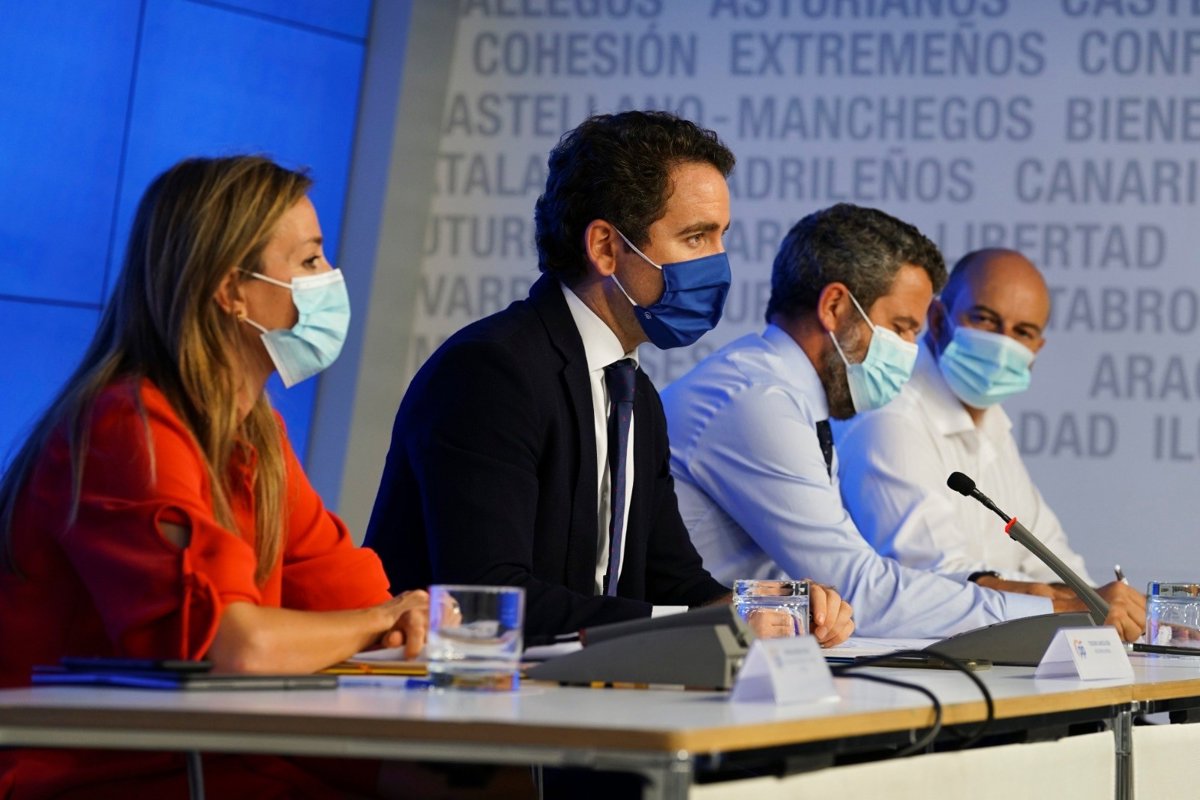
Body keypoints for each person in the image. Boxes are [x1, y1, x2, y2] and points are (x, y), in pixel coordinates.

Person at [0, 156, 429, 797]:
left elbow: (352, 598)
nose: (329, 279)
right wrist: (379, 619)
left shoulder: (255, 432)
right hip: (101, 773)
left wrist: (403, 620)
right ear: (232, 291)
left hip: (217, 753)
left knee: (480, 782)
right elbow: (236, 647)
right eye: (310, 260)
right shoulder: (125, 427)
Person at [366, 111, 853, 646]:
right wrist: (706, 625)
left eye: (721, 238)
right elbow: (489, 597)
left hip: (568, 684)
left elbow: (675, 582)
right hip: (449, 686)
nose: (719, 263)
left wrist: (781, 606)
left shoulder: (634, 393)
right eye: (695, 238)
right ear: (604, 247)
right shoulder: (491, 371)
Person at [662, 204, 1144, 641]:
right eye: (901, 328)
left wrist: (1058, 603)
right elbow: (861, 589)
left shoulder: (790, 398)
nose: (911, 352)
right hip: (682, 667)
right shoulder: (756, 402)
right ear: (834, 308)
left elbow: (843, 593)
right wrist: (1051, 610)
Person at [835, 248, 1145, 619]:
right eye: (984, 319)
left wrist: (1108, 602)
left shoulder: (993, 424)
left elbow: (1051, 561)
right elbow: (936, 577)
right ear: (938, 320)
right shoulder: (889, 415)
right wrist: (1076, 602)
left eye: (1022, 332)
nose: (1002, 345)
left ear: (1036, 349)